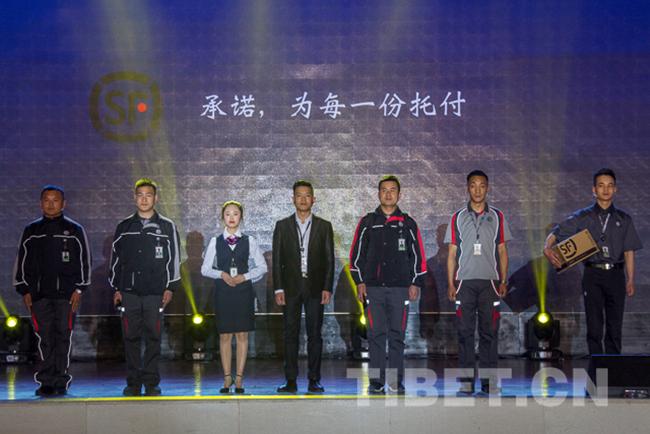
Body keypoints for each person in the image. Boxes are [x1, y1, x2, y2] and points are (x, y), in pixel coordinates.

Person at [543, 168, 642, 355]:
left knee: (614, 325)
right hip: (593, 274)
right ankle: (597, 366)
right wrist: (547, 247)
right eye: (601, 186)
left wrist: (630, 279)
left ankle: (613, 366)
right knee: (594, 324)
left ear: (615, 189)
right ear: (594, 190)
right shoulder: (582, 216)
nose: (606, 190)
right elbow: (557, 231)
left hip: (616, 275)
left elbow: (629, 251)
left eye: (610, 186)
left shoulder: (624, 219)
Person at [349, 175, 426, 395]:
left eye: (392, 190)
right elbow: (356, 255)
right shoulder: (368, 222)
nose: (388, 194)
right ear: (378, 194)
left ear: (399, 195)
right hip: (373, 289)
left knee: (397, 336)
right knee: (375, 335)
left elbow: (418, 256)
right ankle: (376, 382)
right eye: (384, 190)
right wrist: (360, 281)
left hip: (400, 289)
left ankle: (395, 381)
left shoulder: (408, 223)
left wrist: (415, 282)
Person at [13, 185, 92, 396]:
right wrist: (24, 290)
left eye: (55, 200)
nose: (51, 204)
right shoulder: (31, 230)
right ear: (41, 203)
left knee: (63, 336)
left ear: (63, 204)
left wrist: (79, 289)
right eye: (46, 200)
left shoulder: (74, 230)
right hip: (39, 296)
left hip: (67, 296)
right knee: (44, 338)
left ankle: (61, 380)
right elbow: (21, 262)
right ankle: (46, 380)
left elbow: (85, 261)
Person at [109, 178, 181, 396]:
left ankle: (151, 382)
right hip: (129, 293)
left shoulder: (167, 226)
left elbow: (174, 259)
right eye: (140, 195)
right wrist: (116, 288)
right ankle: (133, 382)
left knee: (153, 337)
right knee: (130, 338)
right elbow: (115, 260)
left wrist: (170, 287)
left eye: (148, 195)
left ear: (155, 198)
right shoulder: (124, 226)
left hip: (155, 293)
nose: (144, 199)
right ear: (134, 198)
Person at [445, 170, 511, 395]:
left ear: (487, 188)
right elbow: (451, 253)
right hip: (464, 283)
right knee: (464, 333)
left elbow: (502, 251)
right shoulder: (457, 217)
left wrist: (503, 280)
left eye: (482, 185)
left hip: (490, 284)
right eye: (473, 185)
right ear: (468, 188)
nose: (477, 190)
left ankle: (488, 382)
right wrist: (451, 284)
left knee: (489, 333)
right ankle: (466, 382)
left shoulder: (498, 216)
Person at [273, 180, 334, 393]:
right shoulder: (282, 226)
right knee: (290, 335)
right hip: (290, 288)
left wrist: (327, 287)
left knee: (315, 335)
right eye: (299, 195)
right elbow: (277, 260)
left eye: (307, 195)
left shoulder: (324, 226)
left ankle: (314, 379)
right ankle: (290, 380)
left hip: (315, 288)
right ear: (293, 199)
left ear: (313, 199)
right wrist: (278, 288)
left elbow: (329, 260)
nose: (303, 199)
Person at [201, 201, 267, 394]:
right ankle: (226, 377)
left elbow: (262, 267)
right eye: (228, 214)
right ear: (222, 217)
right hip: (223, 292)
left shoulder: (249, 241)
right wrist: (221, 274)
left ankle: (239, 378)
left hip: (243, 292)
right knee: (225, 335)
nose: (231, 217)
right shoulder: (215, 241)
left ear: (241, 217)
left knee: (242, 335)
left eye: (235, 214)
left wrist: (244, 277)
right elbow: (205, 269)